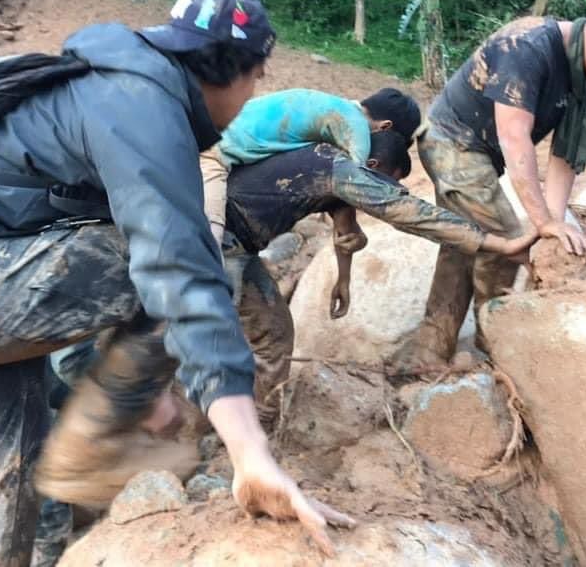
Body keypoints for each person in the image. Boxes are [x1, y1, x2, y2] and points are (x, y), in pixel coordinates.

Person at [0, 0, 353, 566]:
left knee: (6, 502)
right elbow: (177, 271)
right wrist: (249, 452)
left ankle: (91, 439)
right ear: (235, 70)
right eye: (257, 77)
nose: (252, 93)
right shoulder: (142, 104)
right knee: (189, 254)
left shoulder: (112, 86)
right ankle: (94, 442)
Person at [394, 0, 586, 367]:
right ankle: (500, 349)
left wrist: (553, 222)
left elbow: (566, 154)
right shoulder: (528, 48)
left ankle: (430, 347)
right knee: (505, 240)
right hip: (451, 139)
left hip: (484, 153)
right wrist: (541, 222)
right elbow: (514, 136)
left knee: (463, 241)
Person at [216, 129, 537, 424]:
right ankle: (243, 423)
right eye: (384, 181)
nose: (381, 189)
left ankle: (248, 416)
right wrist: (498, 243)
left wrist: (343, 280)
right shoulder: (342, 171)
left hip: (234, 241)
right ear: (372, 165)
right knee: (243, 333)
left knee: (271, 330)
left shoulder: (326, 163)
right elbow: (405, 212)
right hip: (219, 240)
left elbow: (346, 233)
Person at [199, 86, 422, 247]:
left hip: (216, 135)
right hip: (213, 154)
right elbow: (358, 179)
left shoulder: (334, 108)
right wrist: (397, 191)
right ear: (385, 127)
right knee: (210, 242)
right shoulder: (355, 126)